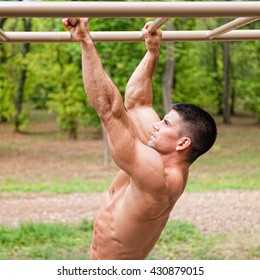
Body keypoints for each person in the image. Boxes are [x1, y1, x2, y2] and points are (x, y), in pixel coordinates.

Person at [62, 18, 217, 260]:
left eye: (165, 123)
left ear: (182, 142)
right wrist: (152, 52)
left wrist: (85, 41)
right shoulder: (164, 154)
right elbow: (137, 102)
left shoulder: (158, 179)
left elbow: (110, 111)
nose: (156, 125)